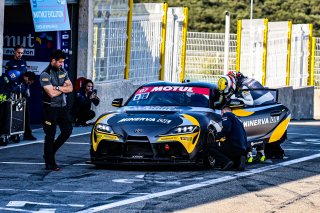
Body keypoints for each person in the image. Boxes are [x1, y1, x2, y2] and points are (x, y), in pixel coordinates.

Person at [39, 49, 73, 171]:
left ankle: (49, 153)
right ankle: (50, 162)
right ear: (53, 61)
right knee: (50, 134)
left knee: (68, 130)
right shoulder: (45, 74)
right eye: (59, 62)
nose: (61, 64)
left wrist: (57, 87)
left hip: (62, 108)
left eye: (62, 62)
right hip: (50, 109)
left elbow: (70, 88)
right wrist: (62, 88)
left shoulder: (63, 71)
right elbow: (51, 93)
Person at [209, 106, 247, 171]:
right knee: (233, 163)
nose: (221, 115)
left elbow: (226, 129)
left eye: (221, 114)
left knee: (210, 147)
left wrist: (216, 137)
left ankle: (226, 162)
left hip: (233, 145)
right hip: (242, 147)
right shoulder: (238, 119)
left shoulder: (226, 114)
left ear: (223, 111)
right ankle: (239, 160)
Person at [21, 71, 37, 141]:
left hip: (23, 100)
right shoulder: (18, 80)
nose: (31, 83)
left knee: (26, 116)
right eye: (31, 81)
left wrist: (27, 90)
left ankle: (27, 134)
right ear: (26, 78)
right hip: (13, 99)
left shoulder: (26, 84)